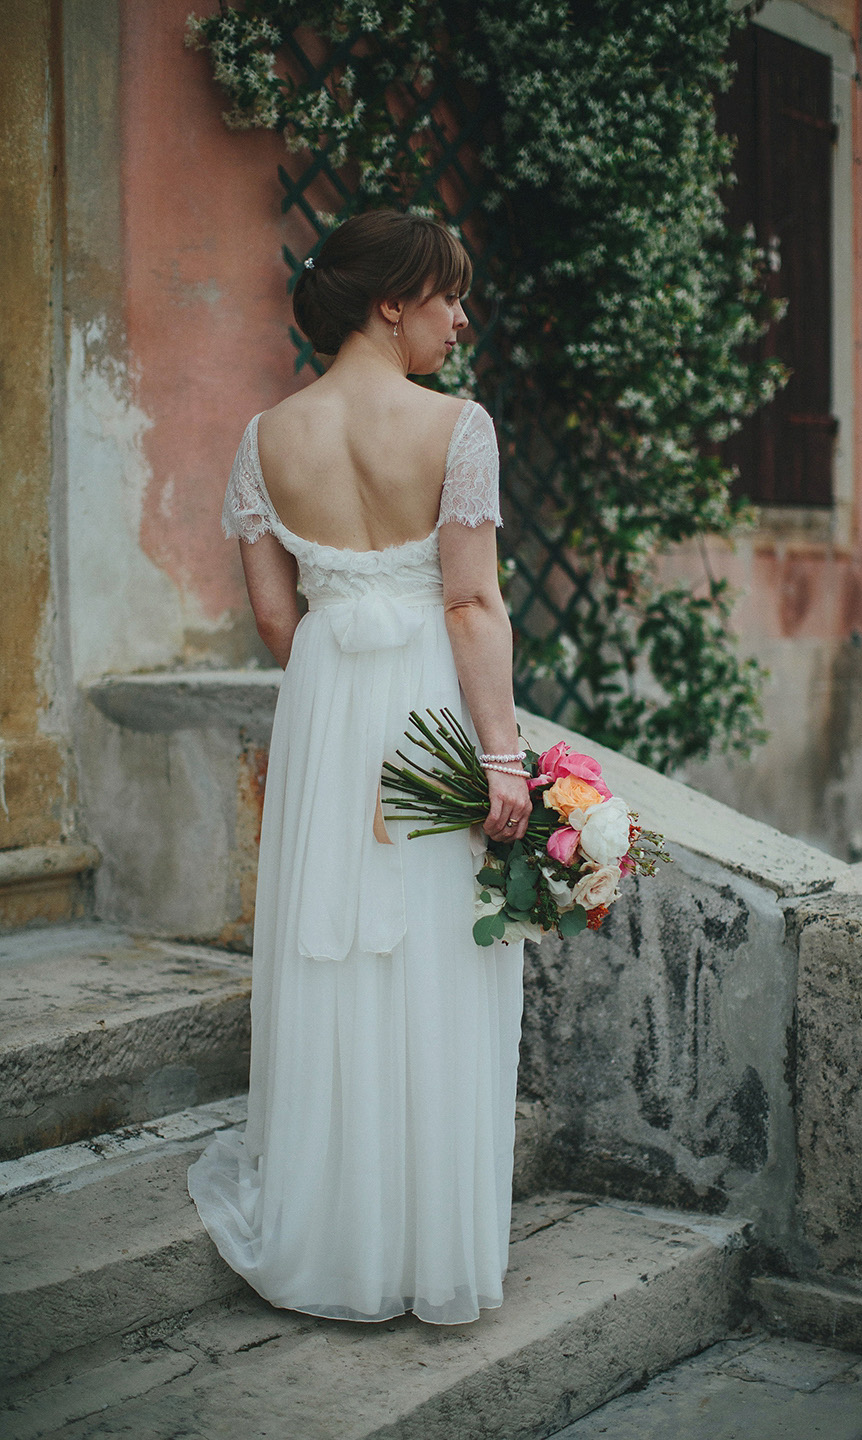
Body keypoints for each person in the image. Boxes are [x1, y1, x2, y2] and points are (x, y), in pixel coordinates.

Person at [188, 210, 532, 1325]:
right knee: (431, 959)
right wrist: (505, 762)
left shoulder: (262, 439)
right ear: (392, 301)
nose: (460, 318)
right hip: (430, 714)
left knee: (332, 957)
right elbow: (472, 603)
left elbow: (279, 626)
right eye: (447, 297)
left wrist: (346, 687)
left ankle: (335, 1232)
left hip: (330, 716)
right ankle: (427, 1244)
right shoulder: (458, 426)